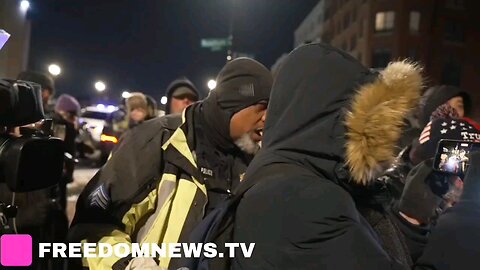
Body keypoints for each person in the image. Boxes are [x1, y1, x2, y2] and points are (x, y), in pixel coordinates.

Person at [68, 57, 273, 270]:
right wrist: (126, 263)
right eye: (262, 107)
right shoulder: (156, 141)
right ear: (231, 104)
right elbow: (91, 229)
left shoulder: (256, 161)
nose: (268, 118)